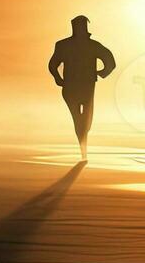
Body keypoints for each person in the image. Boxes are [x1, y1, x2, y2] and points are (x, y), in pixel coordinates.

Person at [47, 15, 115, 159]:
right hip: (72, 87)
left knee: (86, 122)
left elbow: (110, 61)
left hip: (86, 87)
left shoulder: (92, 46)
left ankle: (83, 147)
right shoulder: (64, 45)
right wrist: (58, 79)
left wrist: (101, 73)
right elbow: (52, 65)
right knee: (80, 120)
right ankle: (83, 151)